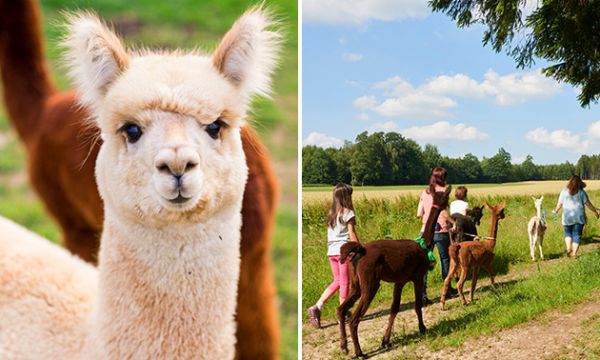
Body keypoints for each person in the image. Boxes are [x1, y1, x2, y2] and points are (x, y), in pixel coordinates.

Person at [307, 183, 360, 328]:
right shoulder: (348, 213)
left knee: (337, 281)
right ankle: (342, 312)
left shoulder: (331, 214)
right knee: (344, 283)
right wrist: (359, 247)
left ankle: (317, 306)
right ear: (346, 197)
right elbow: (352, 233)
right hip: (343, 252)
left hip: (331, 252)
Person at [417, 167, 457, 305]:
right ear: (443, 177)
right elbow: (444, 213)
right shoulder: (443, 192)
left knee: (423, 262)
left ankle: (422, 294)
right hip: (441, 230)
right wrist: (454, 223)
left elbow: (419, 213)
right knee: (445, 259)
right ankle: (448, 289)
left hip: (425, 231)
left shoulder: (425, 192)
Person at [552, 175, 599, 258]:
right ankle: (574, 254)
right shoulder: (581, 192)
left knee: (567, 233)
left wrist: (555, 211)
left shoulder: (564, 191)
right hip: (579, 217)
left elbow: (560, 203)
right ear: (580, 183)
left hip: (567, 217)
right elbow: (588, 204)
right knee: (576, 235)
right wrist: (595, 212)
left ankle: (568, 248)